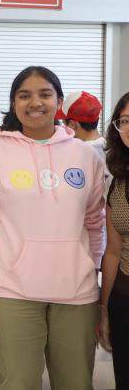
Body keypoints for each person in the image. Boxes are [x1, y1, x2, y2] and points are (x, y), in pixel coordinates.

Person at [0, 66, 105, 390]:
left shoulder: (86, 157)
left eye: (44, 94)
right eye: (24, 95)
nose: (34, 102)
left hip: (77, 293)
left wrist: (92, 273)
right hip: (11, 291)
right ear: (14, 104)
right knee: (19, 383)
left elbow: (96, 224)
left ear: (59, 102)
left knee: (77, 383)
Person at [98, 92, 129, 388]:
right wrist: (104, 311)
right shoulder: (117, 181)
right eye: (125, 121)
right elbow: (112, 251)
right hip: (124, 299)